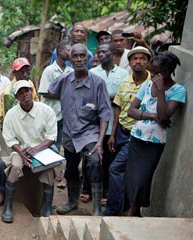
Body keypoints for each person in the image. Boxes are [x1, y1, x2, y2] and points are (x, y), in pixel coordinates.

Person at [47, 43, 112, 216]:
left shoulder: (97, 83)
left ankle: (97, 207)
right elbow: (49, 90)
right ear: (70, 59)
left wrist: (99, 142)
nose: (78, 59)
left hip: (89, 133)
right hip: (69, 134)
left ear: (88, 58)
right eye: (74, 56)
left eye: (82, 56)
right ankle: (72, 201)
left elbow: (105, 113)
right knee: (70, 169)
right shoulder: (64, 80)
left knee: (93, 163)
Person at [123, 51, 186, 216]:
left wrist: (160, 92)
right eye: (152, 71)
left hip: (154, 144)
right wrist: (151, 116)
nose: (153, 75)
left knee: (142, 179)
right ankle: (133, 211)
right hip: (137, 138)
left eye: (158, 72)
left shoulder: (178, 90)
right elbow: (131, 111)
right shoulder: (147, 85)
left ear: (168, 71)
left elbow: (165, 115)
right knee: (132, 178)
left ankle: (134, 212)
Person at [104, 46, 151, 216]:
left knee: (115, 169)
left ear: (148, 62)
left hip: (138, 135)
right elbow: (118, 107)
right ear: (129, 62)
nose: (138, 62)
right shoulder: (125, 81)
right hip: (121, 132)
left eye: (143, 58)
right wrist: (113, 133)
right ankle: (125, 208)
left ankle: (112, 211)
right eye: (135, 58)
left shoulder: (152, 84)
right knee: (123, 171)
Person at [2, 80, 57, 221]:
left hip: (43, 149)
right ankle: (8, 206)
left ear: (32, 92)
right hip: (21, 150)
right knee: (15, 167)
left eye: (26, 91)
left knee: (49, 170)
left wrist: (36, 149)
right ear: (16, 98)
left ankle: (46, 208)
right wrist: (21, 152)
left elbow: (51, 137)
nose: (24, 95)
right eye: (20, 93)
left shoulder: (46, 110)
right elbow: (9, 138)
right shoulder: (11, 114)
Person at [87, 43, 128, 205]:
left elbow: (123, 98)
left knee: (110, 159)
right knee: (92, 159)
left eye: (104, 51)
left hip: (114, 124)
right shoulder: (91, 73)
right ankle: (88, 189)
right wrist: (109, 98)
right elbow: (88, 100)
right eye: (99, 52)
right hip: (94, 125)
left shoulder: (123, 73)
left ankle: (106, 191)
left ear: (112, 53)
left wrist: (104, 98)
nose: (101, 54)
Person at [38, 43, 73, 189]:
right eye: (68, 50)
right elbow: (45, 92)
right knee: (51, 144)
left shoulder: (71, 70)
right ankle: (49, 175)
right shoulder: (50, 70)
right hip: (51, 115)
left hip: (66, 114)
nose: (70, 52)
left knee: (67, 145)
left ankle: (62, 175)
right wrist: (64, 95)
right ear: (59, 52)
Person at [0, 57, 39, 127]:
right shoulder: (9, 92)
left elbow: (36, 102)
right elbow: (8, 118)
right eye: (22, 72)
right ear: (14, 73)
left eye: (27, 71)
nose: (26, 75)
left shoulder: (29, 83)